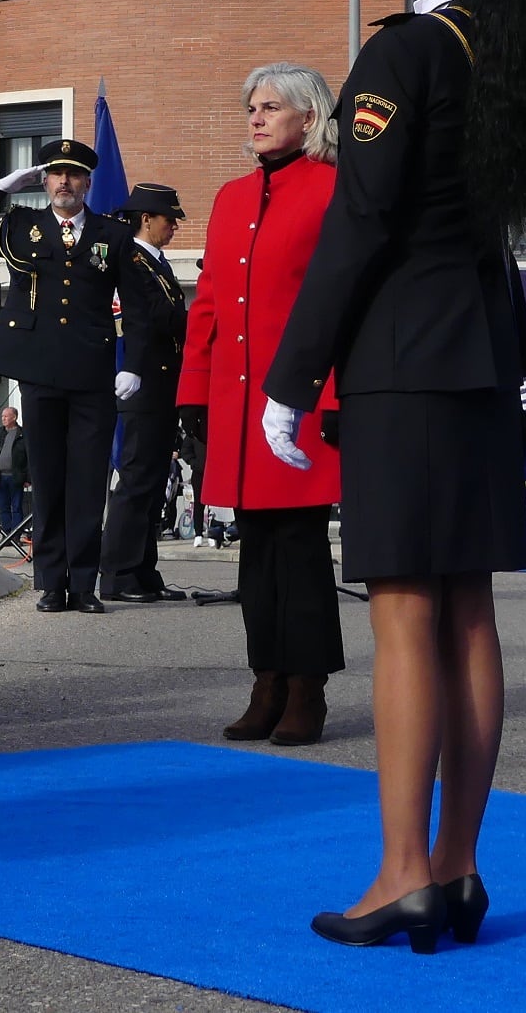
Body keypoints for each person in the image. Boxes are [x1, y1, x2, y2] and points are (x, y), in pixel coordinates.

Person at [263, 0, 526, 952]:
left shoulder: (407, 50)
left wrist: (292, 377)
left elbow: (360, 222)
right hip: (483, 356)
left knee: (403, 618)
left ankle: (400, 874)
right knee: (467, 614)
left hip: (406, 358)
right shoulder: (513, 44)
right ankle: (456, 867)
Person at [178, 64, 345, 744]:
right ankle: (266, 679)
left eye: (271, 106)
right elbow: (211, 303)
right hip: (238, 404)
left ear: (309, 117)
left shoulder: (334, 190)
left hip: (299, 403)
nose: (255, 117)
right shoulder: (229, 197)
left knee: (300, 549)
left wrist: (333, 394)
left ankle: (307, 687)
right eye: (251, 106)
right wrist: (193, 393)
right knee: (256, 550)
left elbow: (339, 303)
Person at [0, 138, 155, 613]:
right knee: (46, 476)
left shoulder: (113, 234)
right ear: (43, 182)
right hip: (38, 369)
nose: (64, 182)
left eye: (74, 174)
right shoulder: (21, 224)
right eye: (56, 174)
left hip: (91, 371)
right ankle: (51, 583)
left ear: (87, 183)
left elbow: (138, 309)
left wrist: (135, 366)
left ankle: (83, 585)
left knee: (86, 481)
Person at [102, 183, 192, 602]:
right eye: (168, 218)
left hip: (163, 381)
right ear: (145, 220)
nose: (173, 225)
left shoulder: (158, 263)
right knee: (137, 478)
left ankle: (142, 571)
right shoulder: (133, 260)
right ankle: (118, 573)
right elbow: (154, 316)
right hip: (144, 380)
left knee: (154, 482)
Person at [0, 405, 28, 541]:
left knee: (16, 507)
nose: (3, 418)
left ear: (14, 417)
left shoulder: (23, 434)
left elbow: (29, 459)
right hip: (0, 477)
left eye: (6, 416)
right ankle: (6, 534)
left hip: (16, 477)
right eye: (2, 416)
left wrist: (28, 478)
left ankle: (15, 535)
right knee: (3, 507)